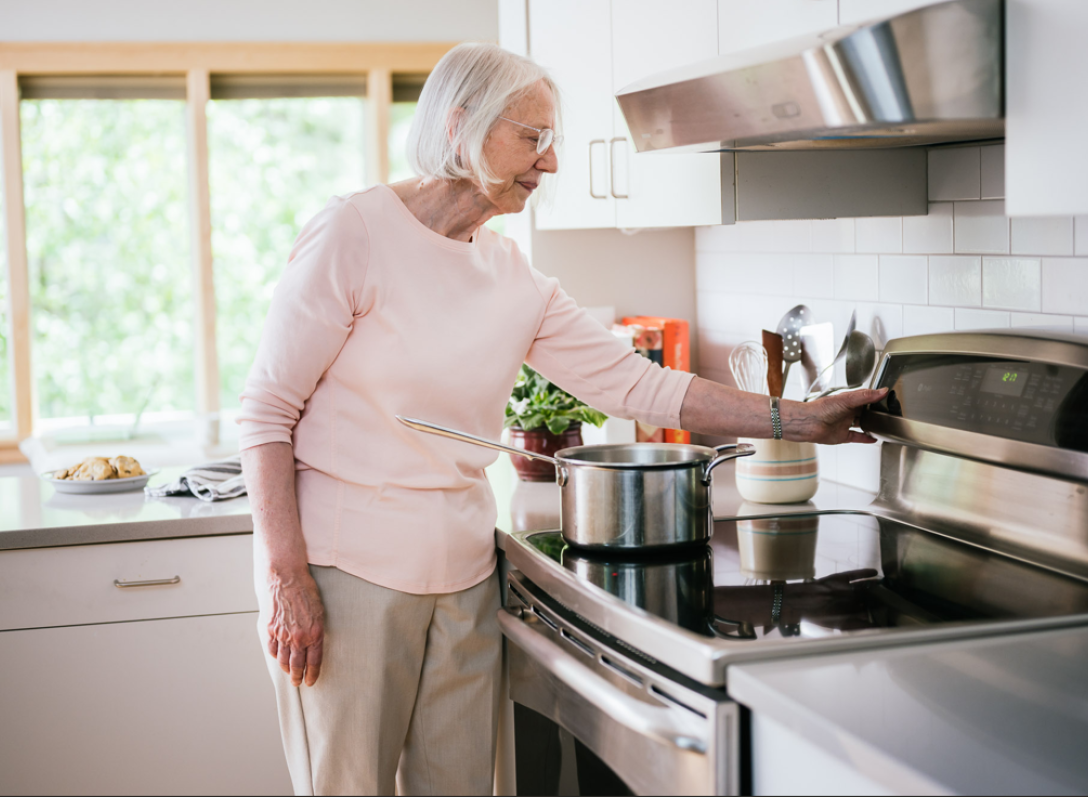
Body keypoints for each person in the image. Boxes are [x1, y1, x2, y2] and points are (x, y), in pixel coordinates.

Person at [238, 42, 886, 796]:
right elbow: (265, 414)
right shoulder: (353, 233)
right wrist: (287, 578)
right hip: (344, 571)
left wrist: (799, 420)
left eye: (552, 143)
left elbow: (644, 387)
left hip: (464, 572)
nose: (548, 164)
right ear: (461, 126)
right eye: (531, 138)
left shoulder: (511, 276)